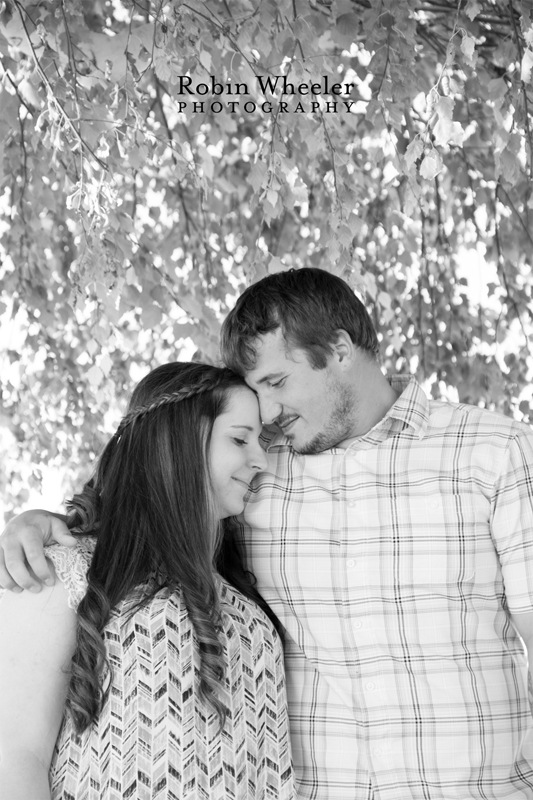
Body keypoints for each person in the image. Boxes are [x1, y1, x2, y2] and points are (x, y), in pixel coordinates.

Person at [2, 267, 533, 800]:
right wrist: (51, 526)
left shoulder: (493, 452)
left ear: (341, 349)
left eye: (277, 383)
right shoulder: (256, 470)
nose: (270, 416)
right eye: (255, 404)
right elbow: (155, 491)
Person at [0, 362, 295, 800]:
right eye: (239, 438)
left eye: (261, 441)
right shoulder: (67, 573)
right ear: (178, 441)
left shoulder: (250, 612)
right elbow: (15, 758)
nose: (260, 461)